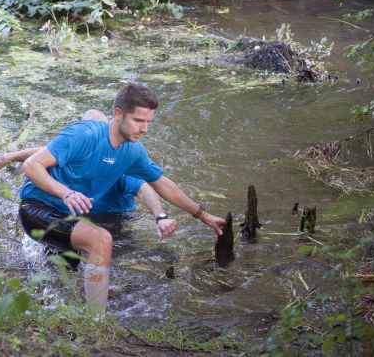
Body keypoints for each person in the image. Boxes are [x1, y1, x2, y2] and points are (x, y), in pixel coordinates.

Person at [19, 83, 226, 312]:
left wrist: (203, 215)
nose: (145, 129)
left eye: (149, 122)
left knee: (62, 275)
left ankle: (63, 310)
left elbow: (164, 185)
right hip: (38, 208)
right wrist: (65, 192)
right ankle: (95, 323)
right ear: (119, 114)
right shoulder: (85, 134)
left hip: (71, 217)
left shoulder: (133, 151)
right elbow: (31, 165)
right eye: (139, 121)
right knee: (102, 240)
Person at [0, 110, 170, 241]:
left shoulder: (120, 158)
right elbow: (44, 153)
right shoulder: (83, 145)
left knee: (113, 249)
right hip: (78, 211)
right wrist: (8, 157)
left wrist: (160, 216)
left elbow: (145, 189)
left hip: (113, 216)